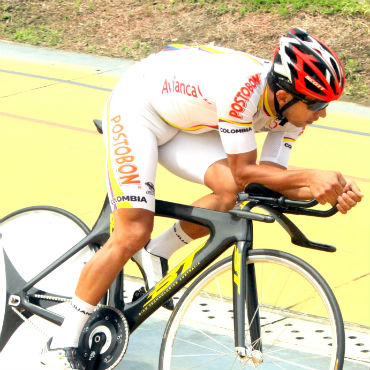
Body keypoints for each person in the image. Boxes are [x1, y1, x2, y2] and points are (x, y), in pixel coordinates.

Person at [41, 28, 363, 369]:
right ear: (284, 97)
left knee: (234, 193)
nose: (323, 113)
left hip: (185, 125)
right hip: (138, 109)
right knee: (132, 230)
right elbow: (245, 171)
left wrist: (328, 191)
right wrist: (310, 177)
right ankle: (61, 341)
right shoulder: (243, 88)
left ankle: (157, 252)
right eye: (318, 104)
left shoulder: (294, 114)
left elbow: (268, 179)